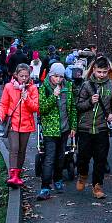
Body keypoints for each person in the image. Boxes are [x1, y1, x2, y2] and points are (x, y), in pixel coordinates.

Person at [75, 55, 112, 199]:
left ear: (108, 71)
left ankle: (97, 186)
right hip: (85, 127)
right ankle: (82, 174)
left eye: (104, 72)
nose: (101, 75)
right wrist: (90, 101)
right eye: (99, 72)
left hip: (102, 128)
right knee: (83, 157)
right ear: (93, 70)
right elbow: (78, 105)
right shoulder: (86, 85)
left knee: (100, 158)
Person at [36, 63, 77, 200]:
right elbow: (42, 109)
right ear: (50, 75)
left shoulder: (68, 87)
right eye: (55, 76)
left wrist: (73, 126)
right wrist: (53, 96)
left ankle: (58, 179)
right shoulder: (44, 88)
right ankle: (45, 187)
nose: (58, 79)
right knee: (49, 159)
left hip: (64, 128)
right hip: (50, 130)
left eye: (60, 76)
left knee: (61, 157)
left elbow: (71, 108)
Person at [0, 64, 39, 187]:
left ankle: (17, 175)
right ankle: (12, 176)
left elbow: (35, 107)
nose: (23, 78)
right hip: (13, 123)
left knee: (22, 150)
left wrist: (27, 98)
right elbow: (3, 105)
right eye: (21, 76)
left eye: (26, 76)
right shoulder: (9, 87)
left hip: (26, 124)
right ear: (16, 75)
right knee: (14, 148)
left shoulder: (33, 88)